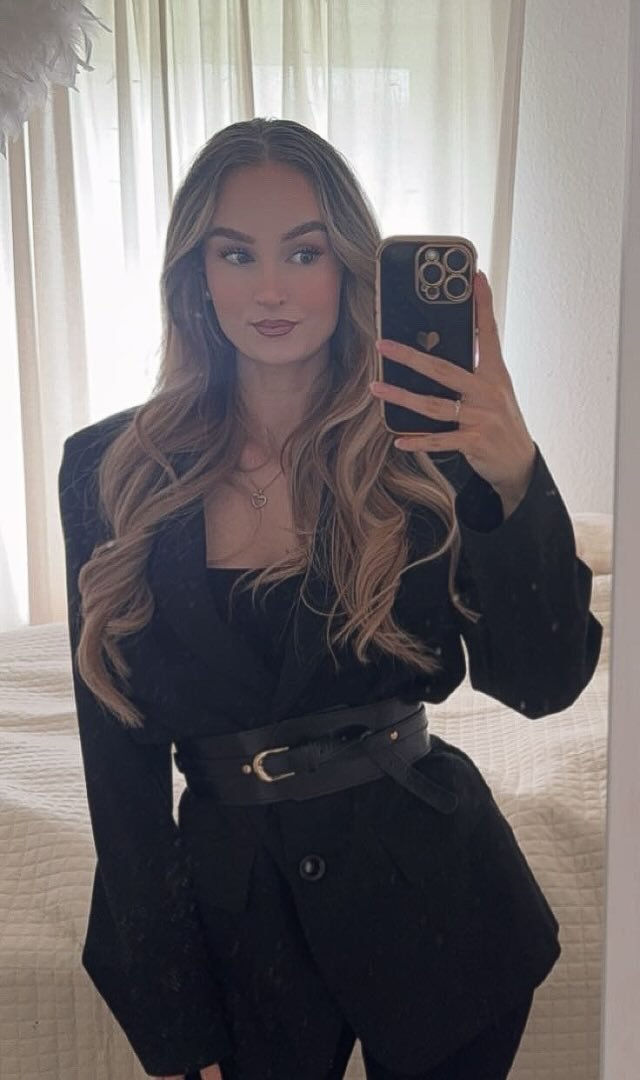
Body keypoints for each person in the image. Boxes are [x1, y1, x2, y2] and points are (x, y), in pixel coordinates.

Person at [57, 118, 602, 1080]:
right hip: (233, 932)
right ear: (197, 273)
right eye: (237, 253)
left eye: (304, 251)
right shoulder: (111, 469)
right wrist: (174, 1023)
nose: (270, 288)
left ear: (350, 266)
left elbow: (541, 681)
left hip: (439, 907)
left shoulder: (430, 449)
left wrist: (516, 477)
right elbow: (120, 768)